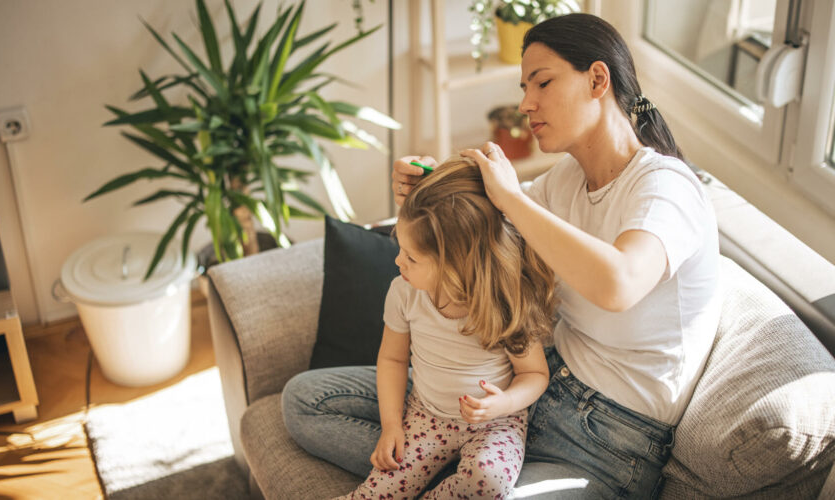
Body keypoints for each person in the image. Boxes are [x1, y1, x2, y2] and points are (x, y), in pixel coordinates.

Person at [283, 12, 720, 498]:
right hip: (513, 393)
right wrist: (423, 184)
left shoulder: (666, 187)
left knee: (487, 485)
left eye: (542, 83)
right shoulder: (565, 180)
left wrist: (512, 199)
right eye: (523, 86)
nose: (525, 104)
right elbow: (471, 224)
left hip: (603, 440)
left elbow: (618, 284)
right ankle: (440, 466)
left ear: (598, 79)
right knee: (306, 400)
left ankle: (457, 476)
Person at [334, 158, 559, 499]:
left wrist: (505, 403)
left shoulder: (505, 300)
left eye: (411, 257)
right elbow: (393, 360)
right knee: (379, 491)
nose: (398, 262)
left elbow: (535, 375)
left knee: (489, 481)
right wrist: (392, 426)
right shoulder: (404, 292)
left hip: (495, 423)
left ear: (457, 265)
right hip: (426, 414)